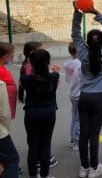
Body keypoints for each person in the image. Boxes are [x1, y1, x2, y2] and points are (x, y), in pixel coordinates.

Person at [72, 1, 102, 178]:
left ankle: (84, 168)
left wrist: (78, 13)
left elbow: (75, 33)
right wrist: (96, 12)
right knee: (94, 134)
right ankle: (94, 168)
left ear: (87, 42)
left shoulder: (82, 52)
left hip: (84, 97)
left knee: (84, 133)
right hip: (100, 98)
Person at [20, 49, 60, 178]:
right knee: (45, 144)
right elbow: (53, 88)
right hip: (48, 114)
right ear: (47, 62)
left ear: (32, 63)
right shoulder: (54, 77)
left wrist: (28, 70)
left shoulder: (26, 79)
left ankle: (33, 175)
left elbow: (25, 81)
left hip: (31, 114)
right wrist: (56, 71)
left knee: (33, 146)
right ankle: (44, 175)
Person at [0, 43, 19, 178]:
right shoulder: (1, 76)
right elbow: (4, 114)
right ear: (5, 56)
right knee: (13, 159)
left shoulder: (3, 69)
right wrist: (5, 129)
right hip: (1, 127)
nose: (13, 56)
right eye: (11, 54)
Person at [63, 42, 81, 151]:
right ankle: (76, 142)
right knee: (79, 119)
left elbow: (67, 80)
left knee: (74, 118)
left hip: (72, 94)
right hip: (79, 95)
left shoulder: (68, 64)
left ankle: (72, 139)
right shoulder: (79, 64)